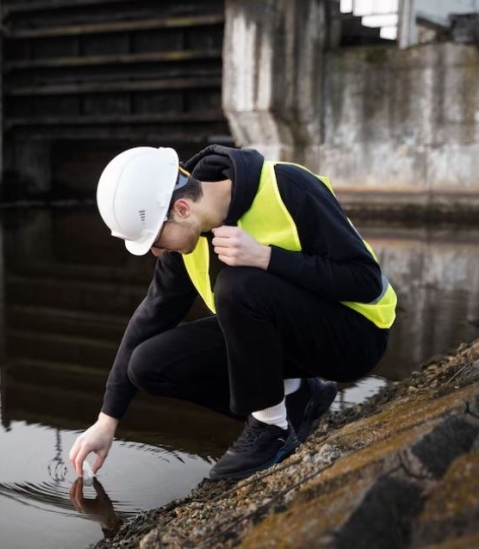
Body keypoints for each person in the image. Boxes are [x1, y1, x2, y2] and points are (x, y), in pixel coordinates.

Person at [68, 145, 396, 480]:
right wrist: (107, 420)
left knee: (237, 285)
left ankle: (271, 432)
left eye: (155, 239)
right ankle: (297, 398)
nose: (155, 252)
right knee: (149, 364)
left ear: (181, 208)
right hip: (294, 345)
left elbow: (366, 281)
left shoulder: (289, 186)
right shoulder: (188, 235)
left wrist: (268, 257)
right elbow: (151, 315)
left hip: (355, 337)